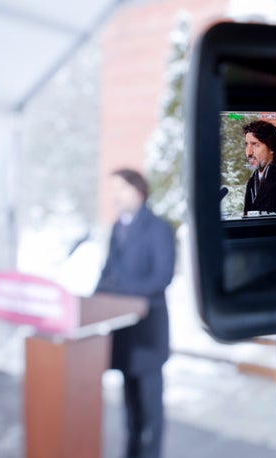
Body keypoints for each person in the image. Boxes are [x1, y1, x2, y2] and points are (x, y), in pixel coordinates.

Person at [95, 168, 176, 458]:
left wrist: (118, 290)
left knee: (151, 411)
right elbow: (106, 274)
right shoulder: (117, 227)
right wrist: (95, 301)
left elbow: (161, 277)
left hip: (148, 334)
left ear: (138, 191)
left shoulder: (159, 228)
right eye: (112, 189)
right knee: (130, 410)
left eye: (120, 189)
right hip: (123, 334)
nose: (115, 196)